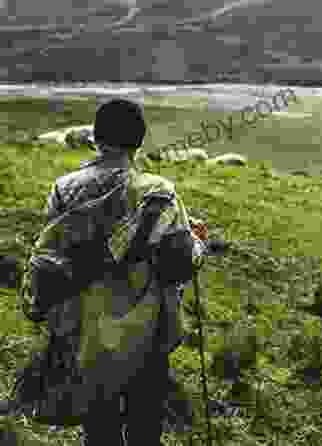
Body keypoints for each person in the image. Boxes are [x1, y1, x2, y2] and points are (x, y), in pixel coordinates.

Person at [20, 98, 208, 446]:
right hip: (146, 331)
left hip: (85, 331)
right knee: (145, 427)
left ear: (95, 137)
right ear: (139, 142)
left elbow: (53, 256)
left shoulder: (65, 189)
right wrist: (199, 244)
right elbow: (180, 263)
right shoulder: (159, 193)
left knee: (99, 429)